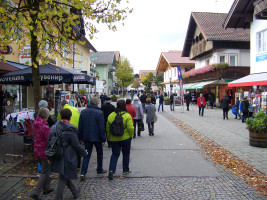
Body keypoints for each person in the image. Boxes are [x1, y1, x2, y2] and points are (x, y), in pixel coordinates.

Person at [48, 108, 87, 200]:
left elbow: (49, 142)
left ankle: (75, 192)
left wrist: (49, 156)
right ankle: (58, 197)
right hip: (67, 155)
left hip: (57, 153)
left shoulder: (54, 127)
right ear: (70, 117)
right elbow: (76, 144)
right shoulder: (70, 129)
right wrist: (84, 152)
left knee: (64, 174)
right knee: (63, 175)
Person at [78, 97, 107, 180]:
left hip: (86, 136)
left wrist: (80, 137)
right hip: (97, 137)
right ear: (97, 103)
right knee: (99, 153)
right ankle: (99, 169)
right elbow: (101, 127)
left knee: (86, 154)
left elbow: (80, 126)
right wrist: (103, 139)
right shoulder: (99, 113)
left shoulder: (83, 112)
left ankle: (83, 172)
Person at [106, 99, 134, 180]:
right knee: (126, 153)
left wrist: (108, 137)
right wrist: (131, 135)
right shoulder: (127, 115)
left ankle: (111, 170)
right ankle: (125, 170)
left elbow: (107, 128)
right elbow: (130, 127)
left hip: (114, 138)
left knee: (114, 154)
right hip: (125, 138)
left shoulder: (111, 115)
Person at [29, 108, 54, 200]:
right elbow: (49, 140)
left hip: (37, 149)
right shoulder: (45, 127)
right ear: (46, 116)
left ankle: (46, 188)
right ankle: (36, 192)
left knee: (46, 169)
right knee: (45, 171)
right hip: (44, 151)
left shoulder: (35, 123)